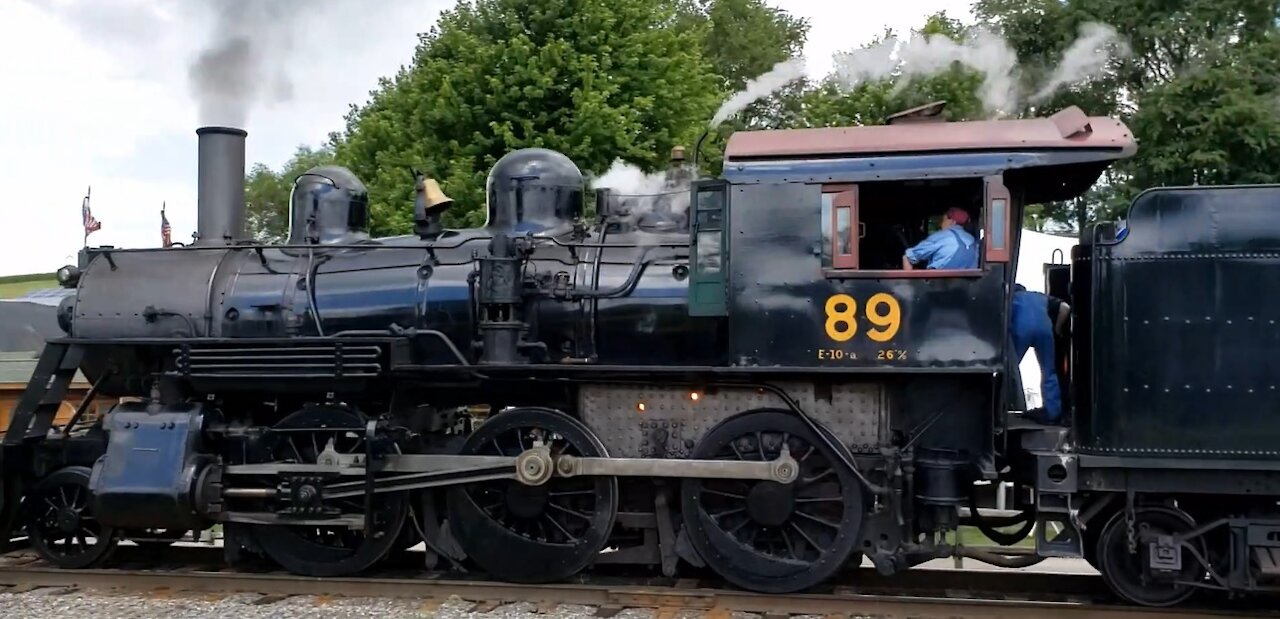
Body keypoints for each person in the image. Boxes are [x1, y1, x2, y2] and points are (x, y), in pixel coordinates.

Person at [1011, 284, 1063, 424]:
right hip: (1045, 330)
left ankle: (1006, 407)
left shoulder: (1011, 297)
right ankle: (1052, 412)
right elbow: (1065, 308)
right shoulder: (1041, 296)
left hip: (1021, 329)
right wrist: (1057, 329)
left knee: (1010, 369)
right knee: (1049, 370)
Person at [902, 207, 979, 270]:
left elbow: (910, 256)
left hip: (939, 285)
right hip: (967, 286)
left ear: (952, 221)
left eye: (943, 220)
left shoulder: (942, 236)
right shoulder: (972, 239)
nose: (940, 224)